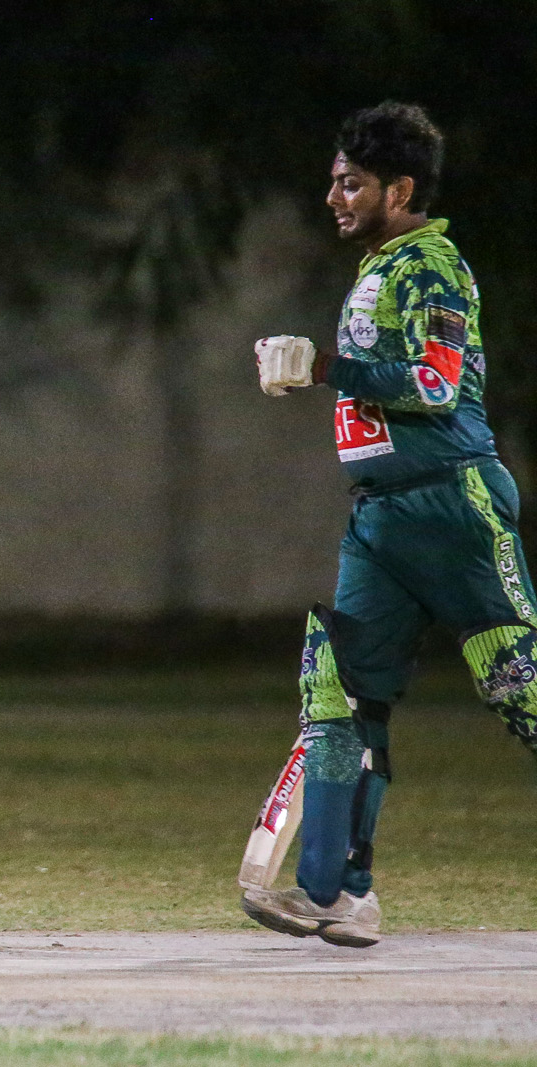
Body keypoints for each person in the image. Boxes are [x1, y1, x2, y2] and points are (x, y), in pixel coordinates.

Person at [246, 102, 537, 946]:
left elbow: (437, 384)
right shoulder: (377, 268)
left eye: (352, 184)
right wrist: (318, 371)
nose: (333, 198)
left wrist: (326, 366)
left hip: (453, 502)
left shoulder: (433, 264)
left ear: (400, 189)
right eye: (334, 182)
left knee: (518, 682)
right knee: (339, 689)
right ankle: (337, 893)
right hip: (380, 517)